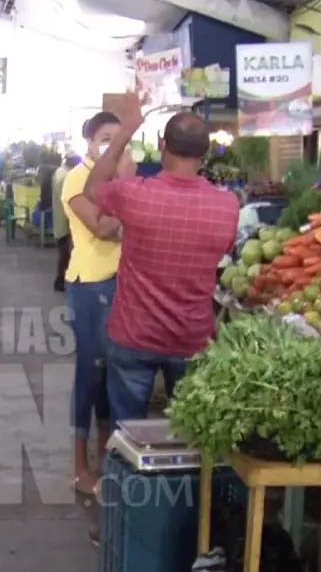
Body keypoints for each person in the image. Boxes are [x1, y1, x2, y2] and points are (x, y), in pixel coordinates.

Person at [83, 99, 240, 429]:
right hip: (192, 338)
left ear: (163, 146)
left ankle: (129, 480)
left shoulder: (135, 193)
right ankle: (186, 483)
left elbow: (93, 189)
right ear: (205, 152)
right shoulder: (227, 206)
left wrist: (126, 130)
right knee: (192, 434)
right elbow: (221, 255)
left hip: (133, 335)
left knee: (127, 435)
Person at [62, 114, 133, 506]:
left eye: (118, 138)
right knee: (89, 376)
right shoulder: (77, 179)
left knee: (112, 377)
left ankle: (105, 462)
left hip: (122, 285)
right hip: (91, 286)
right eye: (105, 138)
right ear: (88, 142)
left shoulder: (118, 181)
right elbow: (102, 228)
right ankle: (78, 468)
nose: (112, 145)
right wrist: (125, 192)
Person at [51, 153, 77, 293]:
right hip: (64, 222)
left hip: (59, 220)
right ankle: (60, 281)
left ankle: (61, 281)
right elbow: (67, 202)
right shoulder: (65, 177)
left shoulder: (59, 172)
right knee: (65, 254)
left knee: (64, 253)